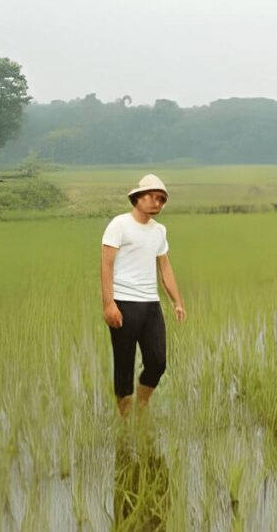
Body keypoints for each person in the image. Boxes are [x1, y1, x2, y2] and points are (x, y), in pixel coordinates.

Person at [101, 174, 186, 417]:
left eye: (161, 199)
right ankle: (125, 419)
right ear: (138, 197)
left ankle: (142, 404)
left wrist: (176, 301)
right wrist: (109, 304)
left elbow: (165, 267)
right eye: (152, 196)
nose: (157, 202)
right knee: (124, 366)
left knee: (158, 362)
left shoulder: (159, 231)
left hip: (151, 305)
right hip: (124, 304)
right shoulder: (119, 225)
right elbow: (106, 265)